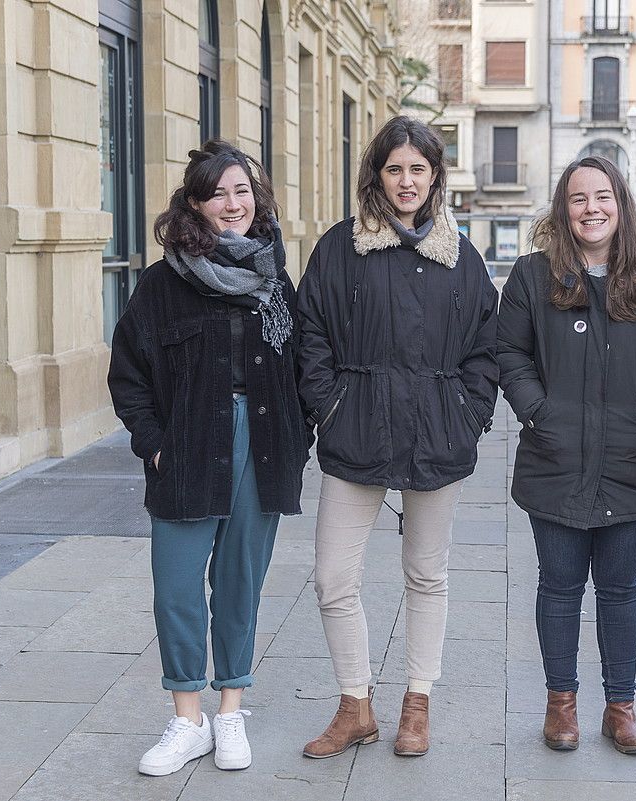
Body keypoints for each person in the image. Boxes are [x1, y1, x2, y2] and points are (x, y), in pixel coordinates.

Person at [297, 115, 498, 759]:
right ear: (375, 175)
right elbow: (312, 332)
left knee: (426, 575)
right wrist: (330, 404)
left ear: (435, 176)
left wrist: (468, 414)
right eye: (395, 168)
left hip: (436, 434)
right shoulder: (340, 248)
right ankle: (355, 703)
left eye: (419, 169)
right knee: (333, 575)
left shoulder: (460, 257)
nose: (407, 181)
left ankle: (417, 702)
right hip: (357, 430)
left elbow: (484, 348)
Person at [107, 140, 309, 776]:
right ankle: (186, 719)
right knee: (177, 586)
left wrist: (299, 438)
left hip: (264, 442)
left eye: (243, 191)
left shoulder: (275, 278)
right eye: (219, 193)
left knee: (240, 582)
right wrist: (155, 443)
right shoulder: (163, 284)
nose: (233, 203)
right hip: (189, 443)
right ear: (195, 204)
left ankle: (229, 712)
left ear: (258, 198)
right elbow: (128, 374)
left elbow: (301, 367)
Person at [498, 156, 636, 755]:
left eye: (602, 197)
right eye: (578, 199)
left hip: (629, 461)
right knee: (558, 587)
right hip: (554, 461)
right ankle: (561, 703)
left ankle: (621, 704)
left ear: (621, 205)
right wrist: (540, 414)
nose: (591, 209)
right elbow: (509, 356)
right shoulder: (532, 277)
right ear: (562, 209)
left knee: (621, 591)